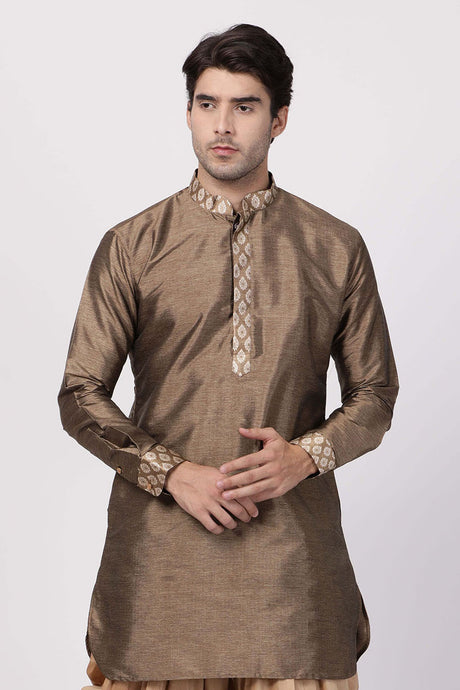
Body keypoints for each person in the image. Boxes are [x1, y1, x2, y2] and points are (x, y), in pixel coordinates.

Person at [58, 23, 399, 690]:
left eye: (245, 106)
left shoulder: (334, 247)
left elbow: (375, 396)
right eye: (207, 103)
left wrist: (306, 456)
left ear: (279, 120)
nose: (222, 125)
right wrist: (171, 473)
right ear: (188, 112)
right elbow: (80, 393)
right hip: (160, 566)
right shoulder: (133, 245)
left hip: (292, 570)